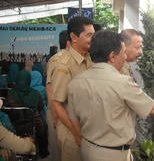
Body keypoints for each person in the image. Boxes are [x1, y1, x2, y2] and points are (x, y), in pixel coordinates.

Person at [67, 30, 154, 161]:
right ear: (112, 56)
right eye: (123, 53)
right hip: (113, 154)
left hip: (87, 149)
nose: (125, 57)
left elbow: (73, 120)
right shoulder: (122, 82)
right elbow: (153, 108)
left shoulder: (75, 82)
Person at [51, 17, 95, 161]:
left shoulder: (90, 59)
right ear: (74, 37)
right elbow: (57, 104)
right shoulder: (64, 65)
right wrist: (76, 134)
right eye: (89, 35)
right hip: (72, 133)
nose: (93, 38)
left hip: (89, 131)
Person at [7, 70, 49, 158]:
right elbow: (41, 107)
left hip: (14, 126)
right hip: (33, 125)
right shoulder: (36, 93)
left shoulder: (10, 94)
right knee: (43, 121)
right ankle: (43, 150)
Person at [46, 29, 70, 161]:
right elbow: (49, 89)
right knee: (58, 153)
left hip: (68, 116)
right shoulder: (56, 60)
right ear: (68, 42)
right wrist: (56, 118)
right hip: (58, 113)